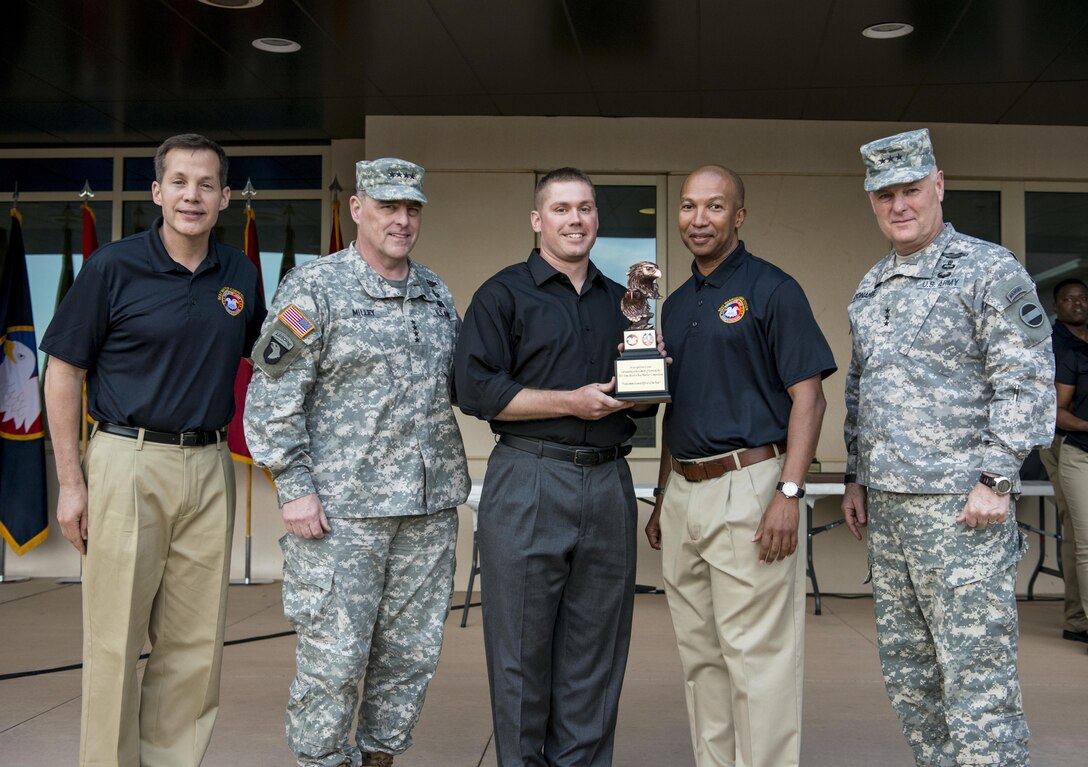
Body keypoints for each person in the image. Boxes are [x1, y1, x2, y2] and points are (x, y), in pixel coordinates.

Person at [41, 133, 266, 767]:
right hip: (127, 461)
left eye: (205, 185)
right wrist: (71, 483)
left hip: (209, 463)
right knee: (116, 640)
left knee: (194, 645)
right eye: (179, 182)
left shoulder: (241, 275)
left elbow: (266, 361)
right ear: (156, 191)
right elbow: (62, 371)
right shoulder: (113, 266)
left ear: (224, 197)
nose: (191, 196)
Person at [244, 158, 468, 767]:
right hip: (342, 515)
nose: (402, 219)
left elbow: (465, 383)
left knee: (409, 658)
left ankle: (380, 758)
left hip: (427, 511)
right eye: (389, 205)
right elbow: (269, 398)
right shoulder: (313, 288)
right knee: (335, 661)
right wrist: (293, 486)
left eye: (412, 208)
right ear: (358, 209)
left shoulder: (434, 291)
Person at [842, 128, 1055, 767]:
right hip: (892, 514)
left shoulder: (989, 270)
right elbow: (861, 389)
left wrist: (996, 478)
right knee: (913, 683)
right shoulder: (873, 285)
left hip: (963, 511)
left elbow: (1027, 375)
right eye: (885, 195)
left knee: (978, 686)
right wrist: (856, 476)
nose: (898, 205)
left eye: (911, 189)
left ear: (938, 186)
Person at [453, 167, 659, 767]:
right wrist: (571, 401)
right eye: (562, 209)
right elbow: (475, 388)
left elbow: (637, 390)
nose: (576, 220)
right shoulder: (503, 294)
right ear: (538, 220)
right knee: (520, 651)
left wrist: (650, 382)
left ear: (598, 218)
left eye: (586, 208)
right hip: (529, 477)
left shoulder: (623, 300)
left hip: (608, 480)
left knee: (596, 653)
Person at [643, 165, 836, 767]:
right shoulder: (671, 306)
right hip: (685, 492)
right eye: (688, 207)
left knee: (758, 659)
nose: (699, 219)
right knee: (701, 658)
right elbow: (677, 407)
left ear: (739, 216)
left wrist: (790, 491)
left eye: (715, 207)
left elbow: (810, 396)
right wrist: (662, 492)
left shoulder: (774, 290)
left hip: (752, 485)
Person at [1038, 277, 1088, 642]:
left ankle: (1077, 618)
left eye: (1083, 299)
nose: (1077, 304)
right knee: (1078, 529)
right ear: (1056, 307)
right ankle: (1078, 619)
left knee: (1078, 532)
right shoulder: (1051, 343)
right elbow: (1053, 408)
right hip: (1062, 442)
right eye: (1068, 300)